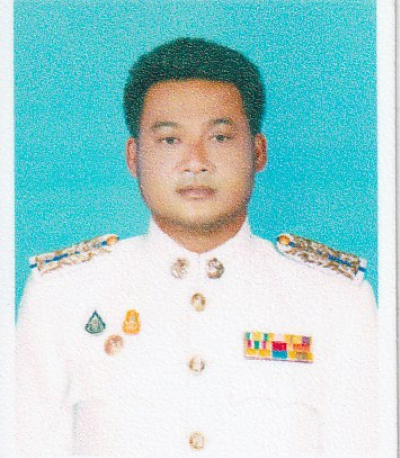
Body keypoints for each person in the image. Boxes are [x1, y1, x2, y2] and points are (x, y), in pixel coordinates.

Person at [16, 38, 378, 457]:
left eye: (219, 137)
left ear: (258, 152)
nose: (195, 162)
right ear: (133, 157)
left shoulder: (336, 300)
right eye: (170, 140)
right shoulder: (61, 296)